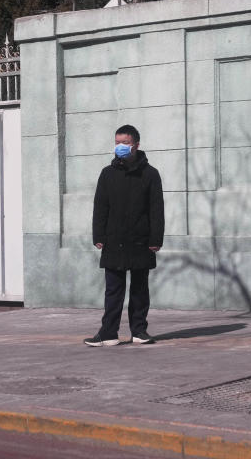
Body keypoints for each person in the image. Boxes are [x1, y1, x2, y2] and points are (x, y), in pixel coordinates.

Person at [85, 125, 164, 347]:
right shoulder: (107, 173)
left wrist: (156, 239)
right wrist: (98, 235)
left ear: (136, 145)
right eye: (117, 142)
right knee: (113, 291)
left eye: (125, 143)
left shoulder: (150, 174)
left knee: (140, 290)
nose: (120, 147)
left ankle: (139, 331)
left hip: (141, 241)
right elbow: (100, 207)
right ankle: (108, 333)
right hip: (113, 240)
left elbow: (156, 209)